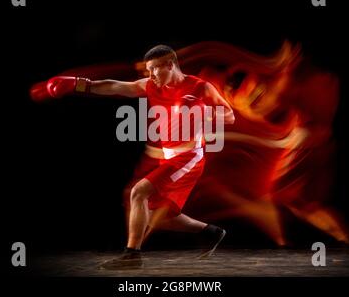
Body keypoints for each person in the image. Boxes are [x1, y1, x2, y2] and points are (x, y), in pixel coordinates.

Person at [31, 45, 235, 269]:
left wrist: (201, 115)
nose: (151, 75)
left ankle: (132, 256)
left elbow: (229, 115)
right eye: (149, 70)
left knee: (138, 193)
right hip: (168, 157)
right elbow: (114, 86)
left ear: (170, 64)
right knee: (159, 216)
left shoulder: (200, 87)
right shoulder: (150, 86)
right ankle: (211, 232)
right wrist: (77, 84)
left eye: (154, 69)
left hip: (189, 157)